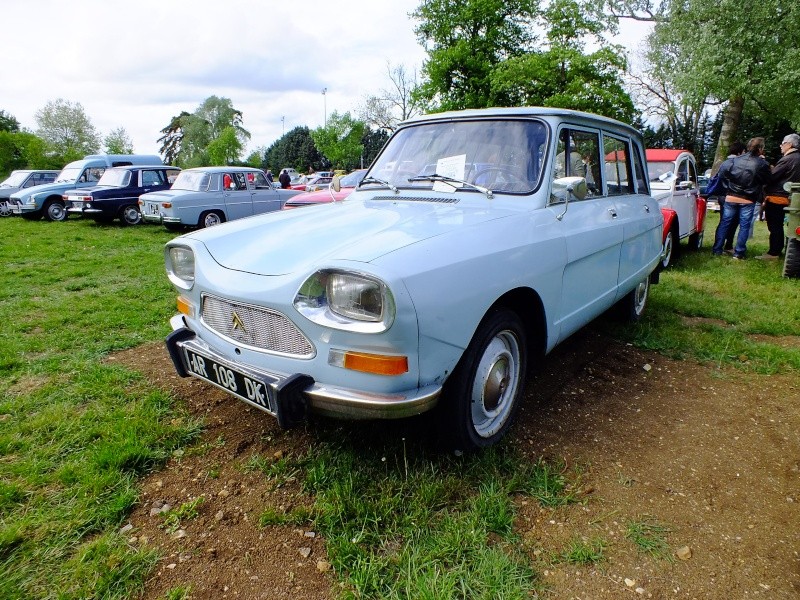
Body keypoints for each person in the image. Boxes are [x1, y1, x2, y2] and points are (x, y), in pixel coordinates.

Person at [712, 137, 770, 259]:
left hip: (731, 196)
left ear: (748, 147)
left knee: (724, 223)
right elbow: (767, 180)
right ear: (761, 149)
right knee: (744, 225)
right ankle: (739, 253)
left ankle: (717, 249)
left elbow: (723, 174)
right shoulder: (762, 164)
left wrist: (730, 186)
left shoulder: (734, 161)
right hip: (748, 198)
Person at [757, 133, 800, 260]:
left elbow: (772, 177)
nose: (780, 146)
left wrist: (766, 168)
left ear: (790, 144)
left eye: (782, 143)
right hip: (793, 196)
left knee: (775, 225)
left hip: (778, 196)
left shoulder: (788, 159)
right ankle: (780, 250)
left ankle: (773, 252)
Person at [711, 141, 746, 254]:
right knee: (734, 222)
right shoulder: (739, 164)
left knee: (723, 222)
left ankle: (717, 247)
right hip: (733, 195)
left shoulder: (725, 163)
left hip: (722, 196)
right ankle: (728, 245)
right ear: (741, 152)